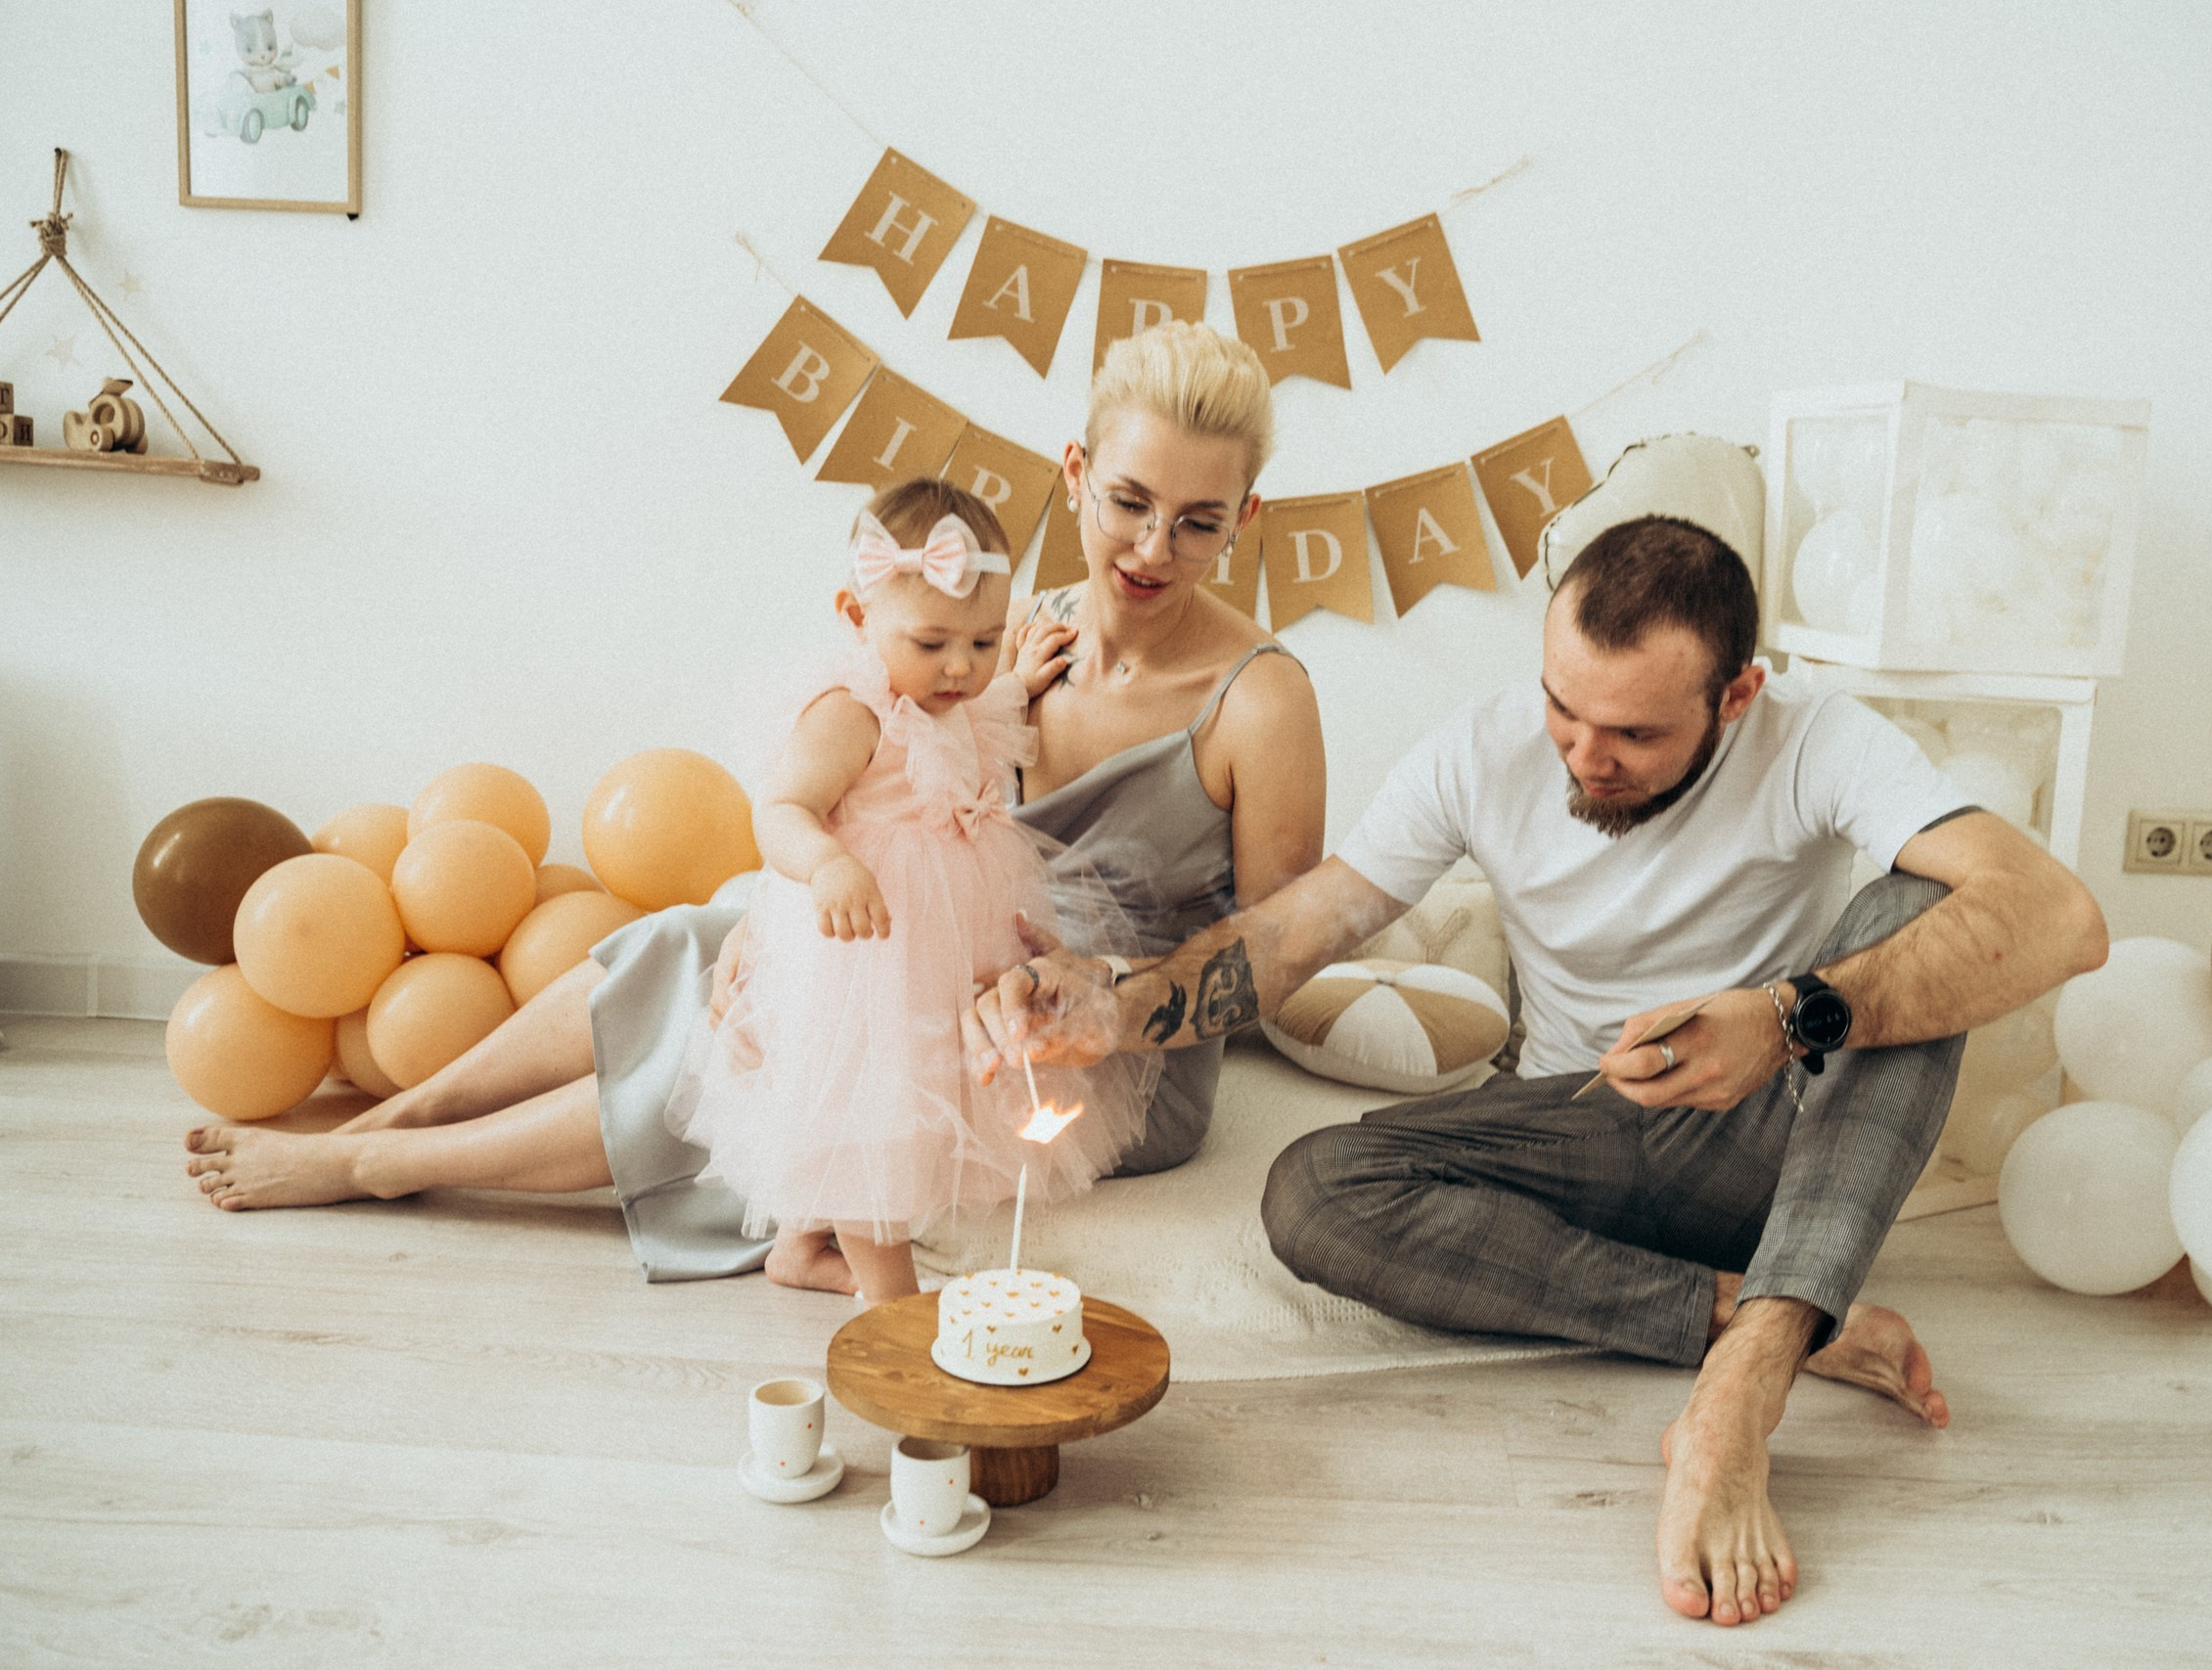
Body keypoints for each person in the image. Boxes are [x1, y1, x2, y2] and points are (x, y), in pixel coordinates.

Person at [968, 515, 2108, 1629]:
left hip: (1781, 1137)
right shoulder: (1482, 746)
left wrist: (1784, 1017)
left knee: (1926, 910)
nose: (1583, 753)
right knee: (1312, 1189)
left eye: (1635, 735)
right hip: (1576, 1120)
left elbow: (2057, 918)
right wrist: (1113, 1007)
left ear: (1736, 696)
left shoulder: (1816, 737)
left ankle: (1749, 1379)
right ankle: (1756, 1313)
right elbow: (1298, 929)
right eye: (1564, 707)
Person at [184, 322, 1327, 1298]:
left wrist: (1105, 1006)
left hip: (1087, 1048)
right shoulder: (992, 631)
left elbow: (1278, 957)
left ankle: (373, 1168)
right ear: (1074, 472)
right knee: (716, 936)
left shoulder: (1260, 700)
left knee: (786, 1047)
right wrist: (765, 936)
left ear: (1245, 518)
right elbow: (888, 810)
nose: (1149, 548)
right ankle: (394, 1120)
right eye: (1129, 502)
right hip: (930, 947)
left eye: (1197, 521)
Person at [671, 479, 1154, 1305]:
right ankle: (887, 1294)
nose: (961, 667)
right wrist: (826, 863)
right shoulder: (849, 714)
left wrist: (1019, 678)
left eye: (983, 640)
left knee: (925, 1093)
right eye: (932, 644)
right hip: (868, 951)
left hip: (945, 945)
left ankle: (798, 1246)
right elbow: (780, 808)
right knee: (871, 1118)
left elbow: (970, 716)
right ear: (858, 619)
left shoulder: (961, 695)